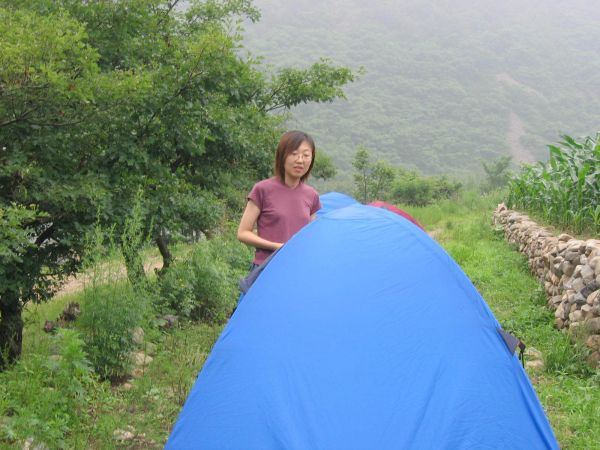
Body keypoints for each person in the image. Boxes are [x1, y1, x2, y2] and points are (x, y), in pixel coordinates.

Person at [237, 130, 322, 270]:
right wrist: (278, 247)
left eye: (306, 155)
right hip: (266, 267)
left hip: (298, 268)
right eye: (294, 154)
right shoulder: (262, 189)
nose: (300, 160)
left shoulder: (311, 195)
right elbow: (243, 233)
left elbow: (311, 237)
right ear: (282, 156)